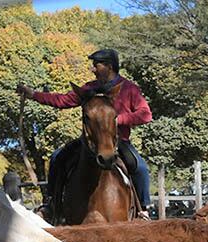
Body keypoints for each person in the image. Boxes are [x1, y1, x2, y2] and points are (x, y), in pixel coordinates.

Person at [17, 49, 153, 218]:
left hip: (118, 141)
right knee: (56, 157)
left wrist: (118, 120)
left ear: (109, 67)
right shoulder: (89, 89)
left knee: (140, 168)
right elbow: (62, 100)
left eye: (96, 65)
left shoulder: (129, 89)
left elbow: (146, 115)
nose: (93, 69)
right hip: (89, 142)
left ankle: (143, 210)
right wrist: (33, 95)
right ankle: (51, 204)